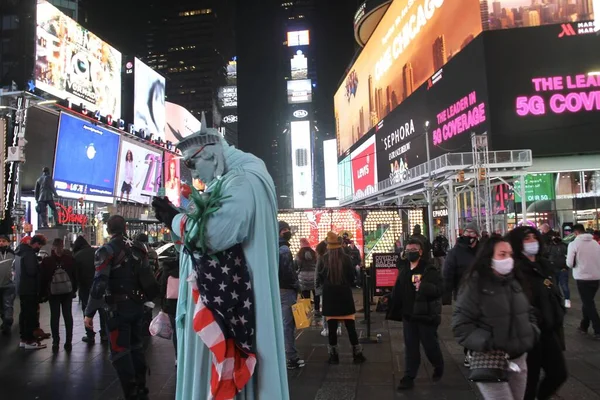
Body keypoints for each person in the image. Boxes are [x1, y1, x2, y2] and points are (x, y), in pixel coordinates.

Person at [153, 116, 290, 399]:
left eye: (192, 164)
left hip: (232, 303)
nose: (193, 174)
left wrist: (175, 220)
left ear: (212, 153)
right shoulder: (232, 178)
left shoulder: (243, 179)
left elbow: (215, 235)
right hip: (221, 297)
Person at [452, 236, 538, 400]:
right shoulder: (474, 285)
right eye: (502, 254)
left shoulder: (514, 282)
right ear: (489, 257)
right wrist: (490, 342)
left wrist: (531, 331)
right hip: (490, 360)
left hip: (518, 359)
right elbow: (461, 326)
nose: (508, 259)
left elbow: (529, 311)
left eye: (510, 254)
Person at [84, 215, 150, 400]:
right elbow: (147, 277)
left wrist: (89, 312)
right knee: (136, 348)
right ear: (126, 226)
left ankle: (132, 394)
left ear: (108, 229)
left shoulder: (107, 250)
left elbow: (99, 284)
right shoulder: (139, 248)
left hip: (117, 309)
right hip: (138, 307)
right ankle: (142, 391)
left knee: (120, 352)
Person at [508, 226, 568, 400]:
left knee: (558, 374)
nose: (532, 242)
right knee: (529, 381)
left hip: (549, 330)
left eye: (534, 237)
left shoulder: (543, 265)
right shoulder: (515, 269)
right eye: (526, 239)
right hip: (528, 333)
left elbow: (553, 293)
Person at [387, 239, 443, 390]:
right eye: (408, 249)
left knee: (430, 345)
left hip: (425, 315)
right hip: (409, 315)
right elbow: (399, 288)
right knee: (411, 347)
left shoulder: (428, 269)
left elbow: (439, 290)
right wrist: (390, 299)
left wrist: (423, 287)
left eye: (414, 249)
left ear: (420, 252)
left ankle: (438, 365)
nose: (410, 251)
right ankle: (409, 376)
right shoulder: (404, 269)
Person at [317, 232, 366, 365]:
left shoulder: (323, 259)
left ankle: (334, 356)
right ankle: (357, 354)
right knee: (351, 327)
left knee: (332, 329)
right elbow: (351, 277)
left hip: (329, 296)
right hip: (344, 294)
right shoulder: (346, 258)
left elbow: (319, 278)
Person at [443, 222, 480, 367]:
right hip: (464, 294)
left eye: (472, 232)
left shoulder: (483, 250)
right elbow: (448, 274)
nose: (469, 235)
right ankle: (469, 352)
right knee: (468, 324)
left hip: (483, 294)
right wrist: (446, 295)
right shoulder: (455, 252)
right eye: (467, 232)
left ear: (477, 235)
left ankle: (478, 351)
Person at [40, 238, 77, 353]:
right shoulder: (70, 260)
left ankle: (56, 341)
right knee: (68, 316)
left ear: (53, 247)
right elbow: (75, 276)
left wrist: (44, 293)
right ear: (63, 246)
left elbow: (43, 278)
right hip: (67, 293)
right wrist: (73, 290)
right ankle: (69, 341)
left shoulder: (47, 261)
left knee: (55, 317)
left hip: (53, 293)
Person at [566, 224, 600, 339]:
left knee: (589, 303)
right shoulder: (595, 243)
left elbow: (570, 263)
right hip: (596, 276)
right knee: (588, 302)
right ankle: (584, 326)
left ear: (575, 232)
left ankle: (598, 329)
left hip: (582, 277)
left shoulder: (574, 244)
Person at [14, 234, 48, 349]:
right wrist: (39, 267)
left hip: (22, 288)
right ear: (36, 243)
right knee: (30, 315)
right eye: (40, 245)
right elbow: (32, 271)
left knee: (24, 314)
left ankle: (24, 338)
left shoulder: (19, 252)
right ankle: (30, 340)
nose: (40, 248)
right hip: (30, 289)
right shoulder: (29, 254)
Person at [279, 221, 304, 369]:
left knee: (281, 323)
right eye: (286, 230)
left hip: (276, 289)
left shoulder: (272, 246)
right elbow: (288, 272)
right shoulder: (284, 250)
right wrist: (296, 286)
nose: (288, 232)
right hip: (286, 290)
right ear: (282, 231)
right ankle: (291, 357)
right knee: (288, 324)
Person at [72, 236, 108, 344]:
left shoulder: (77, 256)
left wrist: (76, 287)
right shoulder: (96, 252)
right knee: (103, 310)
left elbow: (75, 274)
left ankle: (90, 334)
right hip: (99, 285)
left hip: (85, 287)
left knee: (87, 310)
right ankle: (104, 334)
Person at [160, 251, 179, 366]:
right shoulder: (187, 268)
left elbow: (162, 288)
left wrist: (163, 304)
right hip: (186, 303)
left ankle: (177, 356)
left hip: (171, 304)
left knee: (176, 331)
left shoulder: (167, 270)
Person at [296, 238, 319, 315]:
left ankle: (307, 312)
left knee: (305, 296)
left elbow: (296, 265)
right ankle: (317, 310)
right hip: (313, 276)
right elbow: (317, 263)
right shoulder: (314, 253)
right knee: (316, 294)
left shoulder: (299, 255)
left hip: (303, 277)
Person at [548, 233, 570, 308]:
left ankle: (567, 299)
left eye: (557, 236)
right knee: (555, 286)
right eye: (554, 237)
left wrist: (566, 267)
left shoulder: (564, 246)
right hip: (553, 269)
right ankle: (559, 300)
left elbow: (569, 257)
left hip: (563, 269)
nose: (556, 238)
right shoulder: (549, 246)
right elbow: (546, 256)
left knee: (564, 285)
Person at [0, 234, 15, 334]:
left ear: (8, 242)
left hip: (9, 285)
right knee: (2, 307)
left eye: (3, 241)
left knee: (8, 305)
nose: (1, 243)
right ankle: (5, 322)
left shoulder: (13, 254)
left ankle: (7, 323)